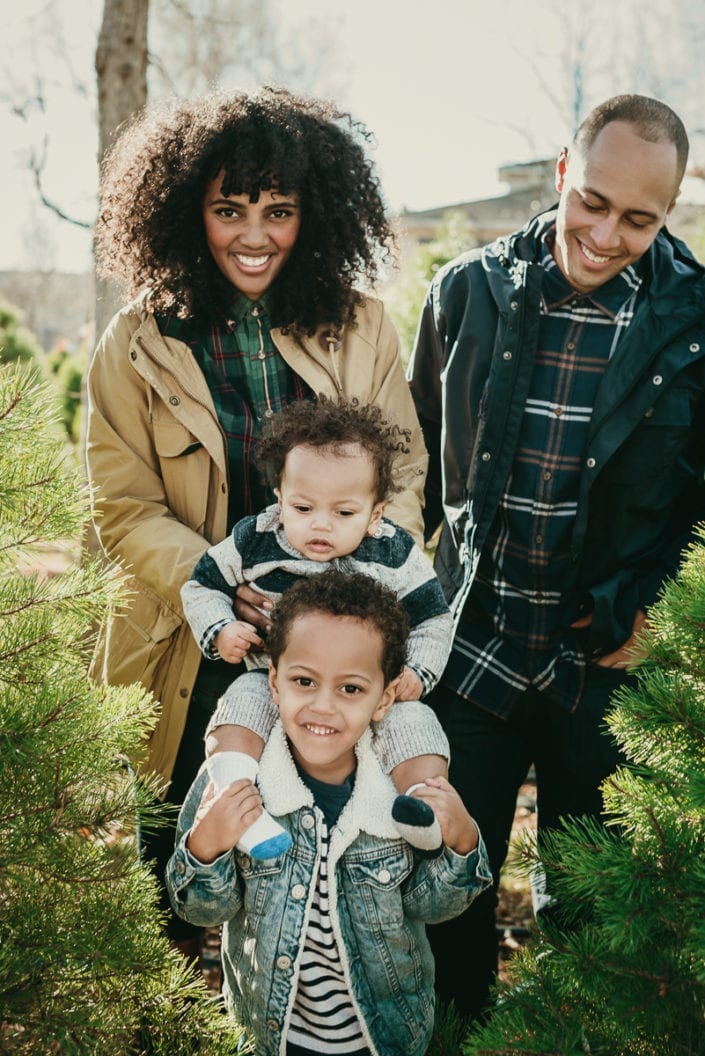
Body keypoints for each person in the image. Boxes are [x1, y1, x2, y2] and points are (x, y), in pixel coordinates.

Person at [85, 87, 428, 963]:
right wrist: (220, 586)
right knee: (180, 881)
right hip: (193, 646)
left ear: (314, 216)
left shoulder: (363, 327)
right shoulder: (135, 342)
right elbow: (123, 510)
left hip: (337, 655)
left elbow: (405, 478)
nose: (253, 233)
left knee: (323, 885)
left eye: (278, 210)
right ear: (182, 210)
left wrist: (353, 602)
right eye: (227, 208)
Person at [407, 93, 705, 1022]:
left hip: (604, 669)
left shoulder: (693, 326)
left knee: (585, 928)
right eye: (594, 202)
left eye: (639, 218)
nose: (607, 233)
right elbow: (415, 470)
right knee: (447, 896)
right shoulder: (465, 291)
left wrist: (655, 606)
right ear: (563, 172)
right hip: (473, 657)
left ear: (669, 215)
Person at [166, 570, 492, 1056]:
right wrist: (204, 846)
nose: (323, 707)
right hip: (269, 1036)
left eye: (351, 689)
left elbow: (432, 907)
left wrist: (463, 842)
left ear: (384, 699)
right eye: (304, 681)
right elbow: (200, 910)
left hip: (384, 1036)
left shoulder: (397, 793)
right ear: (274, 683)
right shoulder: (238, 780)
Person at [180, 397, 452, 861]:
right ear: (280, 499)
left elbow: (433, 618)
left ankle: (422, 814)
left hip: (365, 690)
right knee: (241, 703)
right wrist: (221, 629)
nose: (320, 525)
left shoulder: (393, 553)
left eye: (344, 513)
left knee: (415, 721)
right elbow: (200, 585)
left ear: (376, 512)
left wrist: (419, 673)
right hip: (279, 682)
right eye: (303, 508)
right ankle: (237, 801)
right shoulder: (257, 538)